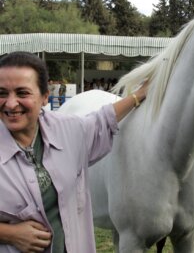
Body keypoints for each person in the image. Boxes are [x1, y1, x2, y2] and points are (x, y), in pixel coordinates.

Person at [0, 51, 148, 253]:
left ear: (45, 97)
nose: (10, 103)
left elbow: (102, 121)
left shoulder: (68, 130)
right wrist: (10, 234)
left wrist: (137, 95)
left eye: (22, 93)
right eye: (2, 93)